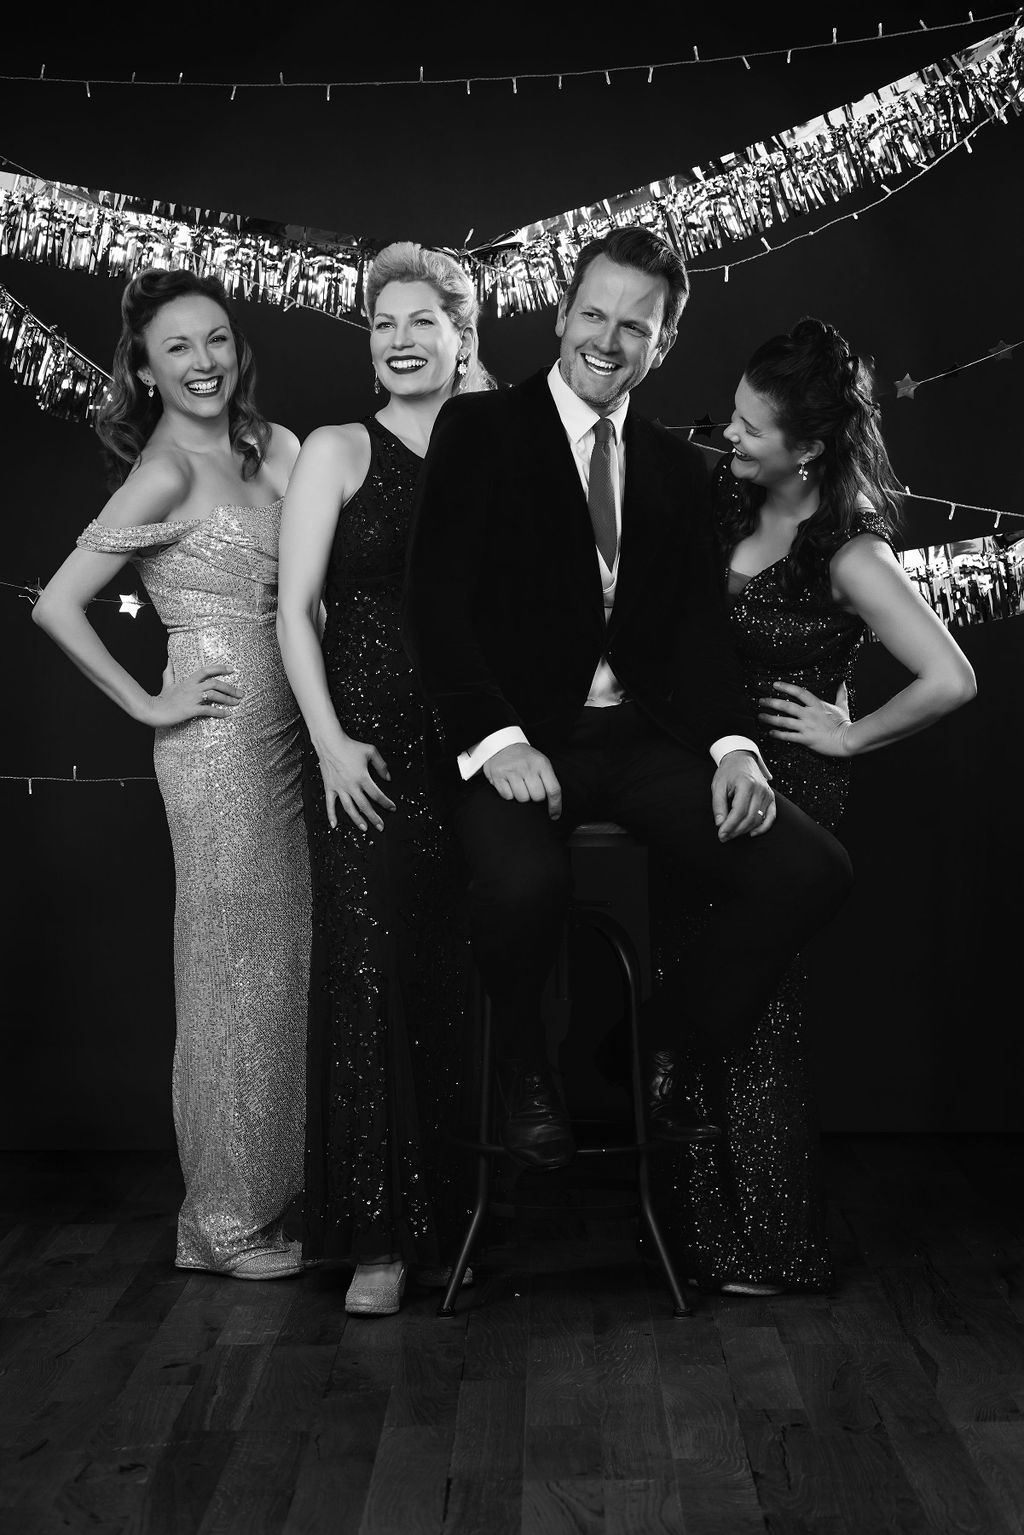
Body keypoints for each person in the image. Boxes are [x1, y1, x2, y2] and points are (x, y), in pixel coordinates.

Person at [401, 226, 855, 1190]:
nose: (607, 341)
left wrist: (735, 748)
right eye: (593, 315)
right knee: (526, 886)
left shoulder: (678, 467)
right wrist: (496, 739)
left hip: (641, 740)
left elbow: (694, 636)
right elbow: (434, 606)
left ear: (665, 342)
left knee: (810, 870)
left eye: (635, 327)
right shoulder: (479, 429)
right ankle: (525, 1065)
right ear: (562, 315)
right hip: (519, 736)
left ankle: (658, 1045)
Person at [653, 316, 978, 1294]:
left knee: (761, 1011)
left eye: (750, 428)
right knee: (701, 974)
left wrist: (848, 733)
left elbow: (951, 678)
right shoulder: (725, 496)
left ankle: (768, 1242)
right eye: (733, 416)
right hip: (708, 766)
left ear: (808, 448)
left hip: (789, 790)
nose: (728, 436)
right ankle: (698, 1233)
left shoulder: (848, 553)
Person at [32, 268, 310, 1281]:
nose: (204, 362)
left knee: (283, 971)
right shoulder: (162, 472)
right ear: (144, 370)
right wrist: (150, 701)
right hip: (219, 752)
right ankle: (222, 1223)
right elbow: (56, 604)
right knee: (233, 976)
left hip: (297, 736)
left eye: (217, 339)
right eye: (178, 347)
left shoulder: (275, 447)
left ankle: (269, 1196)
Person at [276, 241, 495, 1317]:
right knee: (369, 974)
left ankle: (448, 1221)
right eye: (383, 323)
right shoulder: (336, 447)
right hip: (361, 751)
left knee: (448, 974)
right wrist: (326, 741)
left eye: (422, 321)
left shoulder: (494, 447)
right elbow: (294, 608)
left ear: (462, 336)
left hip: (472, 751)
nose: (400, 340)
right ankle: (374, 1236)